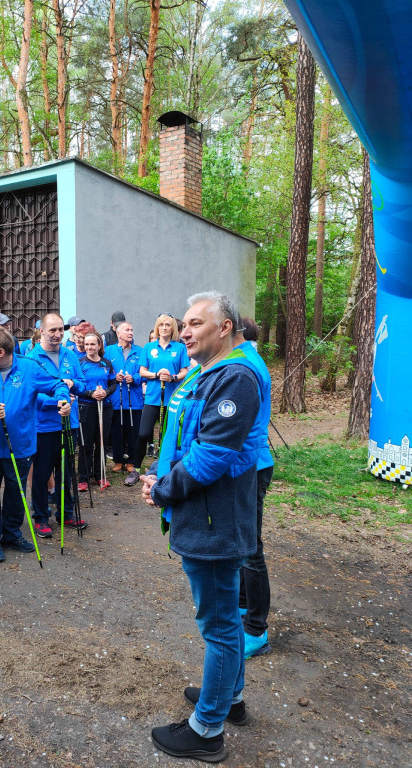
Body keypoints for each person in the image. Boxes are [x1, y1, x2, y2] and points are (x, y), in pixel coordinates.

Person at [140, 291, 264, 763]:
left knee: (218, 625)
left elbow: (212, 455)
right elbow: (185, 435)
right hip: (206, 515)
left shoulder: (234, 377)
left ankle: (207, 729)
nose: (184, 331)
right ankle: (228, 700)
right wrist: (161, 474)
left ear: (225, 327)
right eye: (183, 323)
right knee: (224, 619)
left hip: (215, 520)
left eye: (194, 323)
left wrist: (165, 489)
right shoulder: (209, 372)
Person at [0, 327, 70, 562]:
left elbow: (57, 385)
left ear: (1, 352)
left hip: (21, 445)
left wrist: (63, 400)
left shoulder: (29, 367)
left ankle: (11, 533)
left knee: (16, 493)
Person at [234, 317, 274, 659]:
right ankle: (245, 608)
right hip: (251, 464)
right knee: (244, 543)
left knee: (250, 548)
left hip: (253, 465)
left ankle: (257, 630)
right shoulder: (246, 359)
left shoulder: (247, 364)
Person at [28, 313, 87, 537]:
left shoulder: (69, 355)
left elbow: (82, 384)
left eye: (60, 329)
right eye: (52, 330)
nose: (57, 334)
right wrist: (57, 400)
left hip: (68, 424)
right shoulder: (32, 359)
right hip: (44, 426)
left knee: (66, 472)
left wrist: (74, 385)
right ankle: (40, 517)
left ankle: (66, 513)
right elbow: (32, 395)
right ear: (41, 331)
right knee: (42, 474)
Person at [124, 314, 189, 487]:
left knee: (169, 436)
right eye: (162, 325)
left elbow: (185, 371)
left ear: (173, 328)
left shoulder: (180, 348)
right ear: (157, 327)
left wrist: (173, 377)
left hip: (173, 399)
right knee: (144, 433)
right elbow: (142, 371)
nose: (165, 328)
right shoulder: (149, 347)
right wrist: (157, 375)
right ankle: (136, 469)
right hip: (153, 397)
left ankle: (166, 470)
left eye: (168, 325)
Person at [77, 331, 116, 490]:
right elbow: (77, 386)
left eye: (92, 344)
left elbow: (113, 384)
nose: (89, 347)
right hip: (86, 406)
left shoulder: (107, 363)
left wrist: (105, 392)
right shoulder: (80, 363)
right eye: (86, 344)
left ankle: (99, 475)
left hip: (104, 406)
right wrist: (90, 393)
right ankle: (83, 477)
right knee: (86, 443)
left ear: (99, 345)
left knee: (101, 442)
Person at [104, 321, 143, 473]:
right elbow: (105, 371)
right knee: (117, 431)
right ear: (118, 333)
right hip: (115, 399)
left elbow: (144, 373)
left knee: (133, 431)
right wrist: (115, 377)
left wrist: (134, 378)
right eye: (127, 330)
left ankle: (132, 461)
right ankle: (118, 460)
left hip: (134, 399)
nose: (131, 332)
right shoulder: (109, 350)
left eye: (132, 329)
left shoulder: (139, 351)